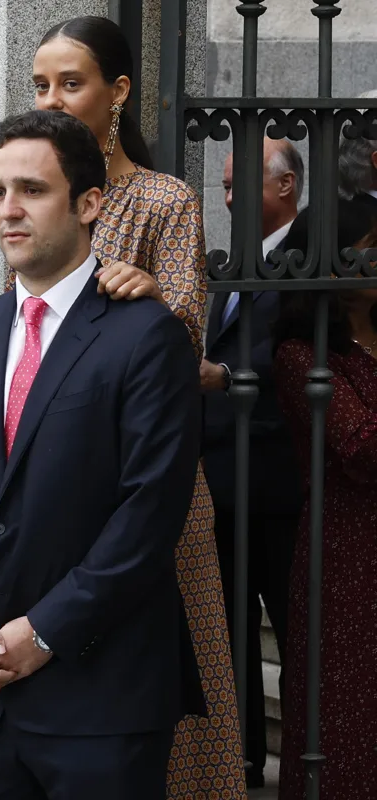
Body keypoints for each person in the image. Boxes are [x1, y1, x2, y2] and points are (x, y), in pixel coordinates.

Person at [0, 108, 203, 800]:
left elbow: (148, 517)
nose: (9, 210)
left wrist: (42, 633)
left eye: (32, 190)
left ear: (90, 203)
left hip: (102, 699)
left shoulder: (146, 336)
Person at [29, 16, 246, 796]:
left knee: (180, 668)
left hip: (153, 481)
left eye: (71, 83)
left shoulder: (165, 198)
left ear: (119, 91)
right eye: (40, 85)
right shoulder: (39, 196)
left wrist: (151, 300)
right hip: (60, 478)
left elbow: (186, 343)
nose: (52, 100)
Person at [203, 137, 303, 788]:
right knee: (230, 633)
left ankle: (305, 765)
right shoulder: (233, 264)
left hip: (279, 486)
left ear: (286, 187)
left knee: (295, 633)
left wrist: (224, 377)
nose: (231, 197)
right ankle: (240, 762)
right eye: (227, 185)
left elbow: (294, 365)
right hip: (219, 483)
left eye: (243, 184)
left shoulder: (310, 262)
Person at [272, 234, 377, 800]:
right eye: (367, 249)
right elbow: (360, 446)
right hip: (347, 544)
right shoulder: (302, 355)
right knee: (345, 699)